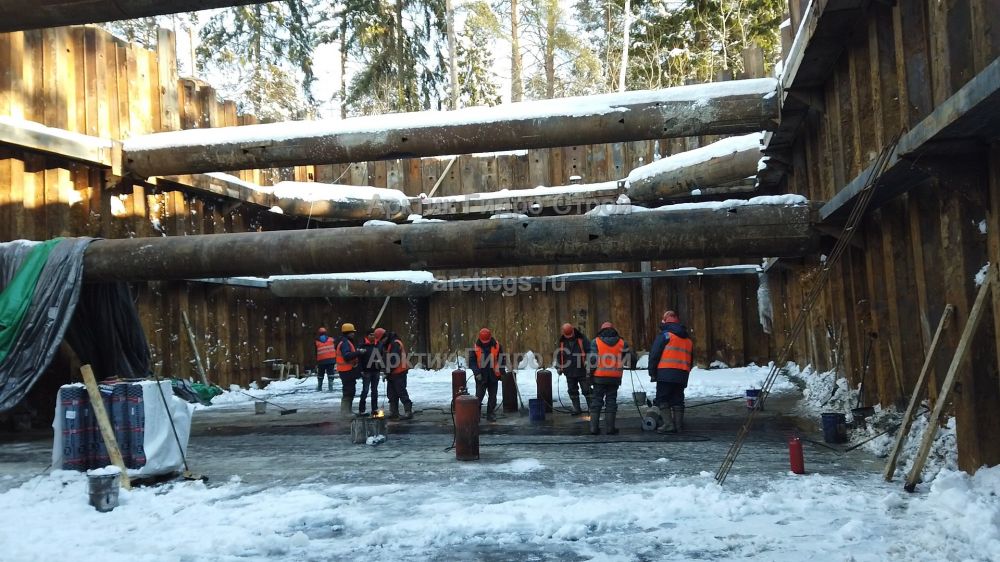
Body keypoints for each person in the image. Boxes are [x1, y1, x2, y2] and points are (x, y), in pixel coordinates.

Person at [648, 311, 693, 433]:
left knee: (662, 399)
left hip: (665, 374)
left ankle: (668, 425)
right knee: (678, 399)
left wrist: (652, 372)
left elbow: (654, 355)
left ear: (664, 321)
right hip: (682, 374)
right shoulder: (688, 339)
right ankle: (678, 426)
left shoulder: (665, 335)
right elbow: (691, 359)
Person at [588, 321, 634, 436]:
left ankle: (594, 428)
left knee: (596, 401)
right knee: (611, 402)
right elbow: (631, 358)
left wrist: (590, 374)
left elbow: (592, 360)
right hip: (614, 378)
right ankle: (610, 429)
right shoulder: (622, 343)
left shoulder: (596, 342)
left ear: (601, 330)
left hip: (599, 377)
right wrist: (632, 365)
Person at [468, 327, 508, 422]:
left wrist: (502, 372)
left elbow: (501, 359)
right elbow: (472, 362)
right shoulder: (475, 348)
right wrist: (477, 373)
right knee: (479, 396)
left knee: (493, 396)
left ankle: (491, 413)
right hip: (481, 376)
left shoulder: (497, 346)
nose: (485, 343)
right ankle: (476, 415)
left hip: (493, 375)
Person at [555, 323, 591, 415]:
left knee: (587, 390)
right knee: (572, 390)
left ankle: (592, 408)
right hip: (569, 371)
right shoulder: (562, 342)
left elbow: (590, 351)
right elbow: (559, 355)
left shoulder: (582, 339)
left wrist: (588, 361)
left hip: (582, 370)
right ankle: (576, 408)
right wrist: (559, 367)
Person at [378, 327, 414, 420]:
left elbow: (394, 360)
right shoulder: (387, 344)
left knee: (401, 392)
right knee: (391, 393)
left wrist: (387, 372)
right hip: (392, 372)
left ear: (385, 337)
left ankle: (408, 411)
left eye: (382, 340)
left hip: (399, 372)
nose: (381, 342)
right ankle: (394, 412)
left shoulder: (395, 343)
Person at [336, 323, 364, 414]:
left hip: (346, 371)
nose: (353, 334)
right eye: (352, 332)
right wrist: (358, 352)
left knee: (350, 390)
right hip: (346, 371)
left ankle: (347, 411)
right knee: (348, 391)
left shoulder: (344, 342)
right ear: (348, 332)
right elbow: (347, 356)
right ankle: (345, 412)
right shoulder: (345, 343)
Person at [356, 329, 383, 416]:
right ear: (367, 336)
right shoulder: (362, 346)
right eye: (370, 334)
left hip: (376, 371)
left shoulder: (379, 345)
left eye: (373, 334)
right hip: (366, 371)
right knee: (365, 390)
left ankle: (374, 409)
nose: (372, 336)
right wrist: (361, 370)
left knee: (374, 390)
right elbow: (359, 359)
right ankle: (361, 409)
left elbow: (382, 356)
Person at [314, 327, 337, 392]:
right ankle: (330, 387)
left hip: (321, 360)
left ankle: (319, 387)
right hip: (331, 360)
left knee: (320, 374)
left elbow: (316, 352)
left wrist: (316, 360)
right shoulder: (331, 339)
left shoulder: (316, 341)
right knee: (330, 373)